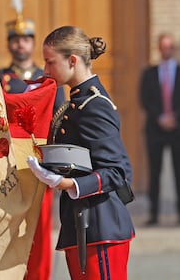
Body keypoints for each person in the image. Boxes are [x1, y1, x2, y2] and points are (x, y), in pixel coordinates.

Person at [27, 25, 135, 280]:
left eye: (50, 62)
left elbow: (118, 172)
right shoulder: (75, 103)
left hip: (100, 226)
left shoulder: (94, 105)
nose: (45, 70)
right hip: (81, 223)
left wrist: (68, 183)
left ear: (72, 61)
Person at [139, 33, 180, 225]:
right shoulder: (149, 74)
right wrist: (160, 117)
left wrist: (175, 117)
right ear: (159, 49)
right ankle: (154, 214)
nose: (166, 50)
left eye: (170, 47)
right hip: (155, 130)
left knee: (179, 171)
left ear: (173, 49)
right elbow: (145, 99)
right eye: (163, 46)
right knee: (155, 172)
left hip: (178, 130)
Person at [0, 0, 65, 110]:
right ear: (7, 44)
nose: (20, 44)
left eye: (26, 40)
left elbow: (58, 112)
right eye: (15, 40)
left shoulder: (49, 77)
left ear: (33, 44)